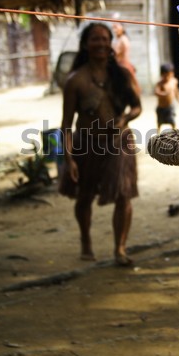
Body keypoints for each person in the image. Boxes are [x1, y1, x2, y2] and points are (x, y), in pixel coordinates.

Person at [58, 23, 142, 266]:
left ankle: (120, 249)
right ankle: (86, 241)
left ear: (111, 44)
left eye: (105, 39)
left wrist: (125, 118)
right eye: (95, 39)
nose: (101, 44)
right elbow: (66, 124)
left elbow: (137, 106)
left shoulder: (122, 74)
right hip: (86, 144)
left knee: (124, 195)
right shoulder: (75, 80)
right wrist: (69, 158)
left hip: (120, 142)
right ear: (85, 44)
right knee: (84, 197)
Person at [112, 22, 141, 94]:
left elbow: (115, 52)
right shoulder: (120, 39)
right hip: (121, 64)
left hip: (122, 65)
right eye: (113, 28)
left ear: (122, 28)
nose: (114, 30)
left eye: (116, 27)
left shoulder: (122, 39)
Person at [154, 62, 179, 133]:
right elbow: (156, 92)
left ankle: (175, 132)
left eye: (168, 75)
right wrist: (163, 94)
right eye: (165, 76)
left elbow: (176, 91)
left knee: (172, 120)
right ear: (161, 75)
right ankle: (158, 133)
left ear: (172, 73)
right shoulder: (160, 83)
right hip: (161, 107)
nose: (166, 78)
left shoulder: (174, 81)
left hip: (170, 107)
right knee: (159, 122)